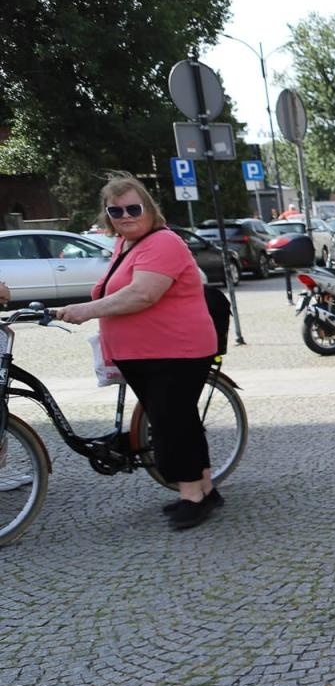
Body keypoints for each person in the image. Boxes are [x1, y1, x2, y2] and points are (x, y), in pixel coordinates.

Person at [52, 175, 222, 531]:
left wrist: (88, 310)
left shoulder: (164, 243)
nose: (125, 216)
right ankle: (205, 488)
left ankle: (192, 498)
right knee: (180, 419)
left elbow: (142, 294)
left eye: (133, 208)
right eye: (116, 210)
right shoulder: (126, 245)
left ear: (148, 207)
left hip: (176, 351)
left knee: (169, 424)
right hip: (147, 354)